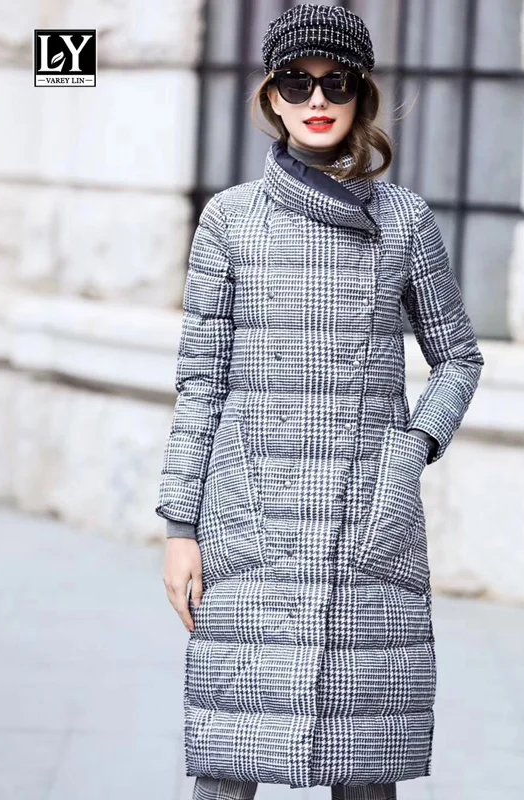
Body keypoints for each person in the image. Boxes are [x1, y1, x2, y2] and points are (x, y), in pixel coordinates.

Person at [156, 5, 484, 799]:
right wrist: (179, 529)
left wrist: (410, 450)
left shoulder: (405, 221)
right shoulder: (229, 220)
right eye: (296, 81)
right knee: (228, 758)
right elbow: (201, 384)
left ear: (361, 94)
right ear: (271, 96)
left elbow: (458, 359)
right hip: (248, 519)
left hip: (366, 515)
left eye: (336, 82)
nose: (316, 99)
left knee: (363, 762)